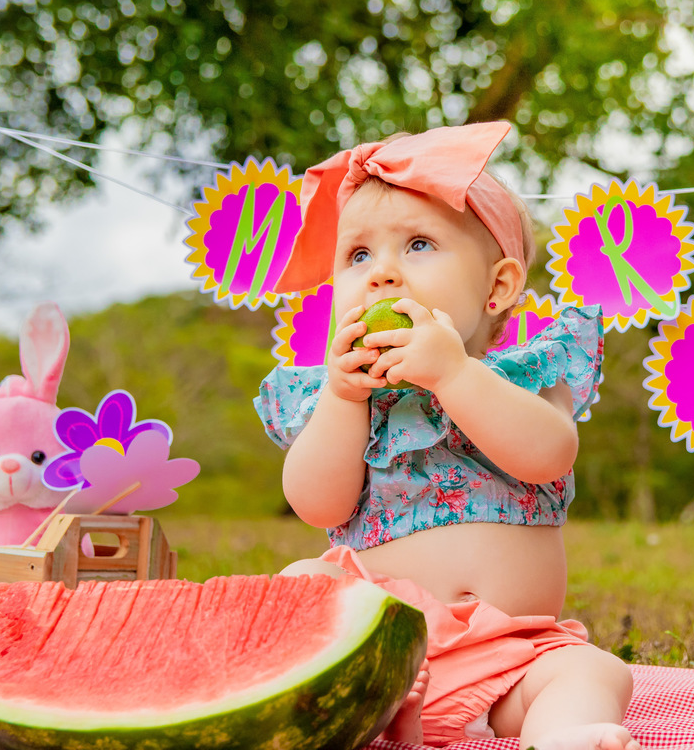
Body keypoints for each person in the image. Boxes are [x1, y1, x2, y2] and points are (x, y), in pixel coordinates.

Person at [255, 122, 639, 750]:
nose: (381, 274)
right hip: (374, 649)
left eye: (418, 245)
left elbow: (549, 455)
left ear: (498, 287)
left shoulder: (525, 375)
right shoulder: (342, 399)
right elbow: (316, 504)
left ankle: (563, 736)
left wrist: (453, 374)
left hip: (510, 658)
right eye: (358, 256)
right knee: (301, 581)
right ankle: (366, 713)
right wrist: (343, 397)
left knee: (593, 671)